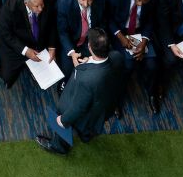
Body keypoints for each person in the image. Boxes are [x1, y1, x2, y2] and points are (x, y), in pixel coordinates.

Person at [35, 27, 125, 156]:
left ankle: (59, 147)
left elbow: (78, 107)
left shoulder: (85, 78)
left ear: (89, 47)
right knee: (88, 128)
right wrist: (89, 63)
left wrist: (63, 120)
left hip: (82, 109)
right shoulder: (117, 56)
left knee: (64, 120)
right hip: (103, 106)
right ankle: (86, 136)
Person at [0, 0, 55, 88]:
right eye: (36, 6)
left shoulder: (48, 0)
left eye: (42, 4)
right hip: (17, 42)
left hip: (39, 39)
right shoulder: (11, 5)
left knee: (50, 64)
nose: (41, 9)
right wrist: (25, 50)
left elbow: (52, 25)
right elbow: (5, 33)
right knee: (7, 76)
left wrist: (52, 46)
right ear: (26, 3)